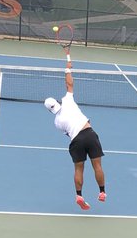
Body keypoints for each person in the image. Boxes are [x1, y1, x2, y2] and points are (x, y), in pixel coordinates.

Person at [44, 65, 106, 211]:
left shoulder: (57, 123)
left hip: (76, 141)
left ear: (49, 110)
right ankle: (102, 192)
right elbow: (69, 84)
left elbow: (69, 133)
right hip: (89, 133)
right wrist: (67, 69)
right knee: (97, 166)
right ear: (57, 102)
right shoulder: (67, 101)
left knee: (79, 169)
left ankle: (79, 195)